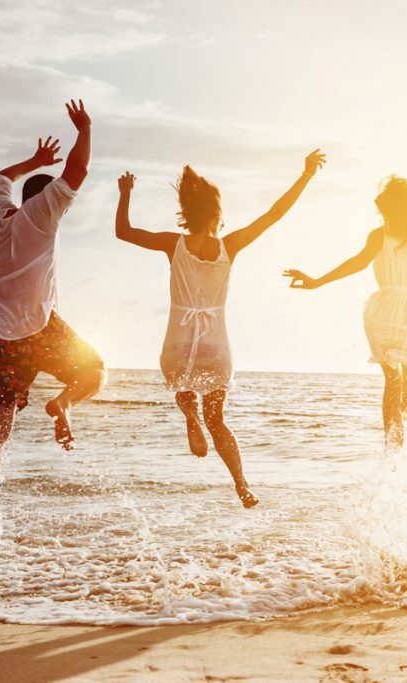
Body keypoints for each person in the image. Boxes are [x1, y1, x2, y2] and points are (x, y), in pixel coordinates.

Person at [115, 150, 327, 509]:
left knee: (183, 385)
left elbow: (124, 232)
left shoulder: (173, 244)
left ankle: (188, 416)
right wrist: (305, 175)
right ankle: (242, 484)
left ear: (188, 211)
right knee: (219, 419)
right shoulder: (230, 245)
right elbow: (273, 215)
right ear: (216, 213)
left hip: (179, 339)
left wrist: (125, 193)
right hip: (215, 340)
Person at [0, 100, 105, 474]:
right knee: (94, 372)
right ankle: (62, 404)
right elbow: (76, 170)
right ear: (48, 200)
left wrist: (34, 162)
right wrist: (85, 128)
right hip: (38, 329)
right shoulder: (41, 215)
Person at [284, 176, 407, 450]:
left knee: (392, 384)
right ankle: (406, 416)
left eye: (385, 212)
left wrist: (316, 281)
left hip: (384, 314)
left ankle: (391, 450)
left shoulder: (380, 236)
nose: (384, 217)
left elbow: (356, 264)